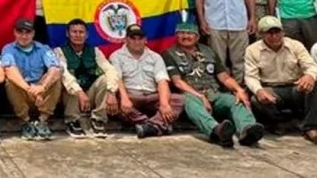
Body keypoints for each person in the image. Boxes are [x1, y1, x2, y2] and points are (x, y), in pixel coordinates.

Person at [162, 19, 264, 147]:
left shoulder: (208, 51)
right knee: (188, 101)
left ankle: (247, 131)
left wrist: (239, 90)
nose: (185, 36)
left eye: (189, 33)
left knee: (236, 100)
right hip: (191, 94)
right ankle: (216, 131)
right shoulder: (169, 54)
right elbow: (177, 82)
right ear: (176, 36)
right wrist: (200, 96)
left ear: (197, 37)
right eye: (181, 33)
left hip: (214, 93)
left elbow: (224, 77)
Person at [245, 16, 317, 143]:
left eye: (277, 32)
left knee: (313, 84)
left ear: (283, 32)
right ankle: (281, 122)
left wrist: (310, 76)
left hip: (295, 86)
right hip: (272, 89)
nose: (274, 36)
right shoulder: (252, 50)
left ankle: (310, 127)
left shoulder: (295, 45)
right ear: (262, 35)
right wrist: (259, 90)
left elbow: (311, 65)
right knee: (256, 100)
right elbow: (250, 76)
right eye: (269, 33)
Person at [110, 24, 184, 138]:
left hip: (153, 96)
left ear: (145, 40)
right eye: (133, 38)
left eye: (140, 38)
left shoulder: (155, 57)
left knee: (178, 100)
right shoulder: (116, 56)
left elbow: (162, 81)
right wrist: (124, 99)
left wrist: (164, 104)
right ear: (126, 40)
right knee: (116, 103)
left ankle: (150, 127)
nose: (137, 42)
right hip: (131, 96)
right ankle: (157, 125)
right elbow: (117, 80)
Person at [55, 19, 119, 138]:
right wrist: (79, 92)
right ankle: (72, 120)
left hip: (90, 92)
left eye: (81, 32)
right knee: (68, 81)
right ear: (68, 34)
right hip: (72, 96)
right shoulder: (60, 51)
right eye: (74, 32)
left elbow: (109, 69)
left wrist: (111, 91)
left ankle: (98, 119)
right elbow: (65, 74)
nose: (78, 35)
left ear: (87, 35)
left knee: (105, 79)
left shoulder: (95, 51)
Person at [3, 19, 63, 141]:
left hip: (40, 91)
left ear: (33, 33)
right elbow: (9, 69)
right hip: (23, 90)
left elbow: (55, 68)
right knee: (10, 82)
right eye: (20, 32)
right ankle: (26, 122)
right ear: (14, 33)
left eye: (28, 32)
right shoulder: (8, 49)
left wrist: (43, 87)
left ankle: (42, 121)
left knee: (56, 77)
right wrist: (29, 89)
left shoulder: (43, 48)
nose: (24, 36)